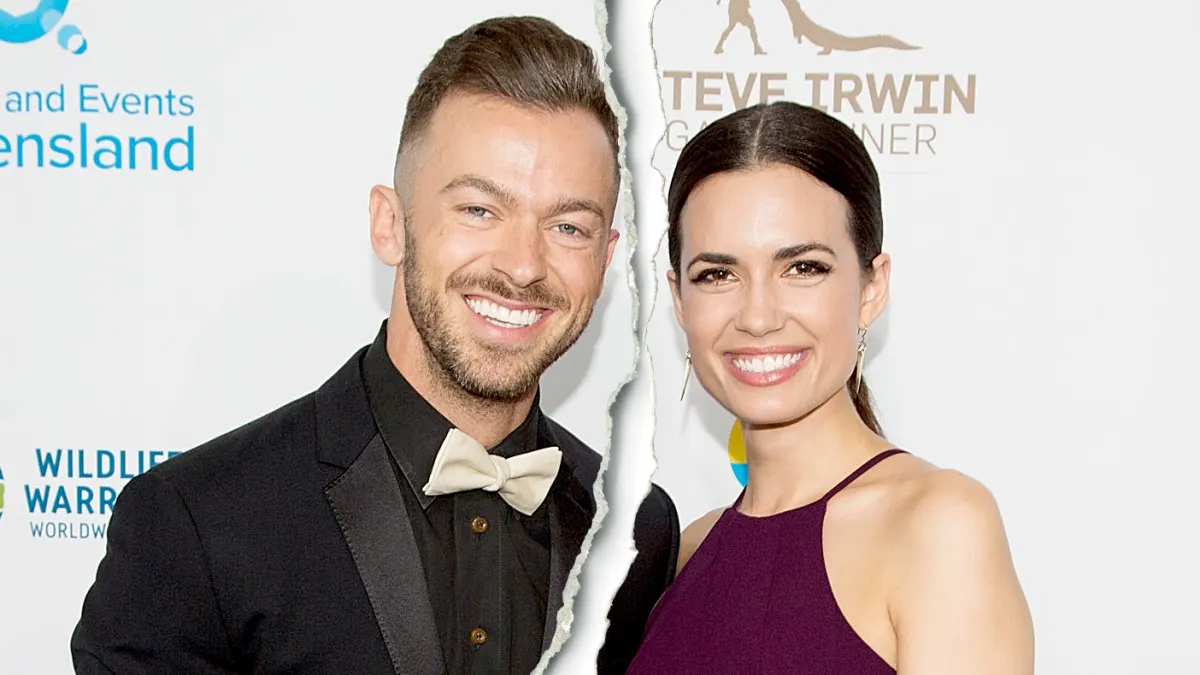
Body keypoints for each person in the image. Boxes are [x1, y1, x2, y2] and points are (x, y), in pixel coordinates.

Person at [70, 16, 678, 675]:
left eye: (567, 226)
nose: (524, 264)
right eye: (479, 210)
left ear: (605, 259)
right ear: (390, 225)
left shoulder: (637, 529)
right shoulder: (198, 525)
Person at [626, 101, 1034, 674]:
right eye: (718, 274)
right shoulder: (685, 550)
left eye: (803, 268)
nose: (758, 316)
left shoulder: (938, 526)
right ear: (679, 300)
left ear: (871, 288)